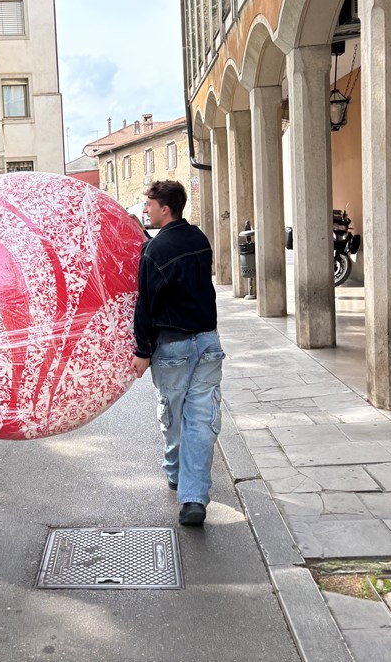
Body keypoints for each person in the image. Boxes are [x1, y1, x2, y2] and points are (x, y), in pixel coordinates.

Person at [131, 181, 224, 527]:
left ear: (164, 209)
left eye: (149, 205)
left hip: (173, 348)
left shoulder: (156, 251)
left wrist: (142, 350)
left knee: (173, 416)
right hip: (208, 343)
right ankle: (193, 498)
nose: (145, 210)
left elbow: (146, 305)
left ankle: (176, 473)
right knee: (200, 421)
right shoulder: (198, 238)